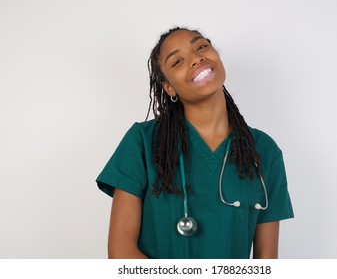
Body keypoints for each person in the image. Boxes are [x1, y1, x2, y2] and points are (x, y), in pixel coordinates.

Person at [96, 27, 294, 259]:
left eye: (201, 47)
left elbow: (266, 263)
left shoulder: (264, 151)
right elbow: (121, 253)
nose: (196, 58)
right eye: (178, 61)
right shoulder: (142, 141)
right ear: (169, 87)